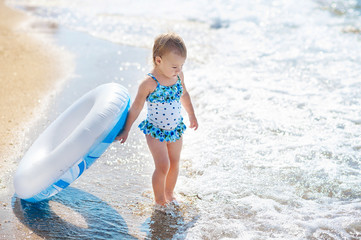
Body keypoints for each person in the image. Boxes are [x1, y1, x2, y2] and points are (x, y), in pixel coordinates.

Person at [115, 33, 198, 206]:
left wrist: (191, 115)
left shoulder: (178, 77)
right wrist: (126, 129)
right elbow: (136, 107)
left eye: (182, 65)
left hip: (176, 129)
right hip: (156, 131)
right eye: (175, 66)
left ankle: (169, 193)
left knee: (175, 163)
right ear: (158, 60)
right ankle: (159, 200)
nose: (179, 70)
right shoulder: (149, 83)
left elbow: (185, 95)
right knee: (163, 165)